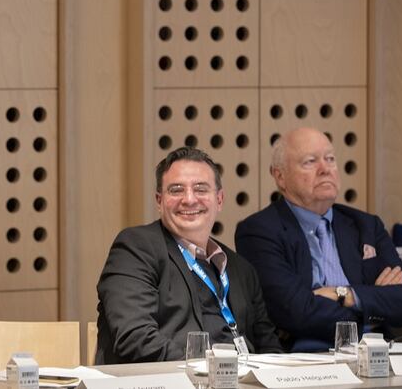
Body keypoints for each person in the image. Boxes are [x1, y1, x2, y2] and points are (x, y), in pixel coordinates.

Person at [235, 127, 402, 351]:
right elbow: (297, 312)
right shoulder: (259, 231)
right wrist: (374, 307)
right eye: (310, 161)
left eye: (330, 159)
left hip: (377, 352)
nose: (325, 169)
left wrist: (343, 294)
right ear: (280, 176)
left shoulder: (365, 225)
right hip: (305, 357)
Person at [96, 147, 282, 364]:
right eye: (176, 190)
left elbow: (269, 346)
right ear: (159, 201)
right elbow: (136, 339)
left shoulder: (241, 268)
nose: (189, 199)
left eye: (201, 189)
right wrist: (208, 372)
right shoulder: (136, 248)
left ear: (219, 200)